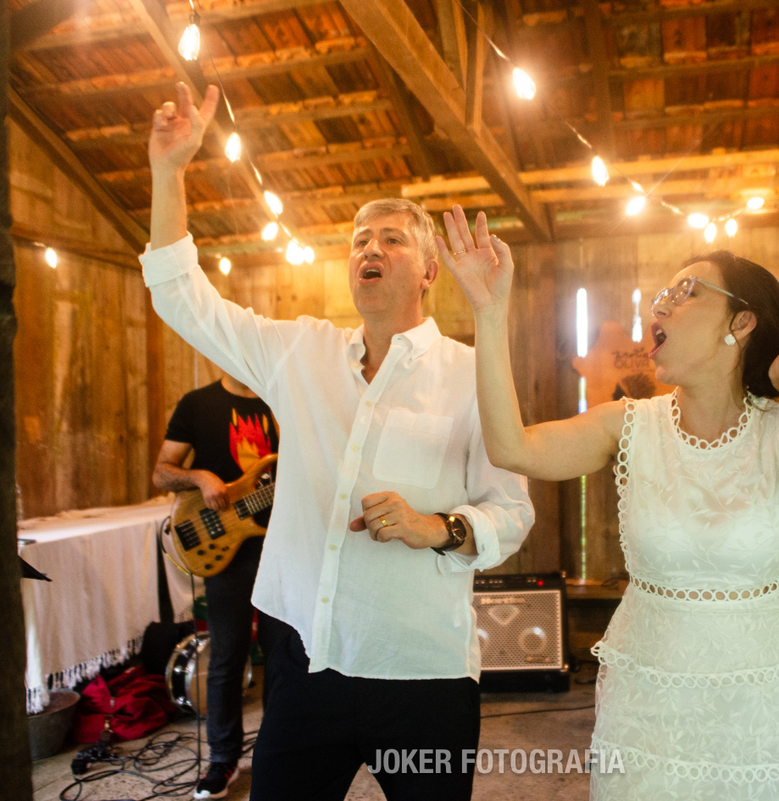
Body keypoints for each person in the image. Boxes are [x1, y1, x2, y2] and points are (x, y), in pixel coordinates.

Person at [140, 83, 534, 801]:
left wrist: (437, 527)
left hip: (421, 675)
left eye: (392, 238)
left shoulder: (473, 376)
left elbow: (512, 510)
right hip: (302, 661)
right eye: (359, 240)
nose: (369, 249)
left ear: (430, 270)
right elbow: (182, 299)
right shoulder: (301, 352)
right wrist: (169, 172)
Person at [439, 205, 779, 800]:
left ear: (742, 321)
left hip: (772, 695)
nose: (660, 308)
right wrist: (489, 310)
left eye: (687, 292)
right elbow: (510, 447)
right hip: (655, 700)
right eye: (662, 297)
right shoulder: (628, 425)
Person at [153, 373, 281, 799]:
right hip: (223, 546)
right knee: (227, 657)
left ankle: (278, 752)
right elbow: (161, 473)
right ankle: (223, 760)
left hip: (279, 546)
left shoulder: (279, 401)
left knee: (282, 657)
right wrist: (200, 477)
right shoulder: (197, 403)